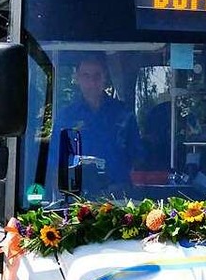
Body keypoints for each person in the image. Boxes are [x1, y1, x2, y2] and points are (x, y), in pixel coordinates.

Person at [53, 53, 143, 195]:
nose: (92, 82)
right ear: (77, 78)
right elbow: (56, 160)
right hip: (76, 197)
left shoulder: (124, 114)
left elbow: (136, 158)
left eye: (97, 76)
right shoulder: (65, 116)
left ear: (105, 78)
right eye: (86, 76)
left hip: (117, 197)